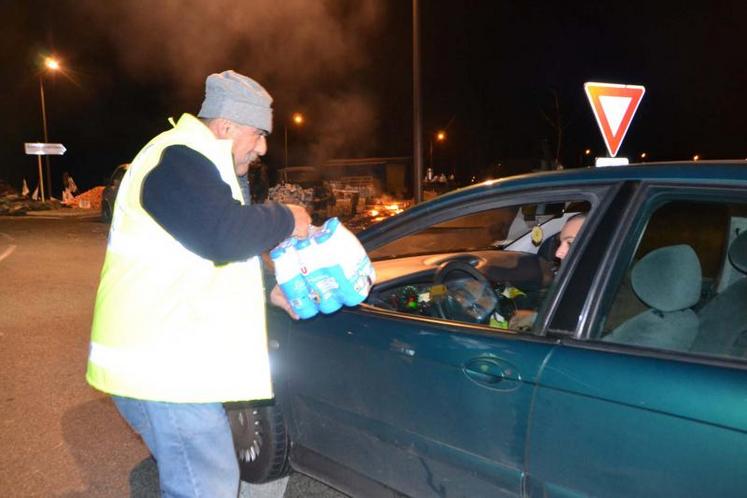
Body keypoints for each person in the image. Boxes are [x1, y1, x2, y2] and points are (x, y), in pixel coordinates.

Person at [87, 70, 311, 498]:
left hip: (164, 362)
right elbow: (220, 232)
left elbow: (205, 252)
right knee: (205, 487)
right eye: (258, 134)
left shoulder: (197, 164)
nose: (263, 147)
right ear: (226, 126)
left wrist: (268, 290)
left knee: (200, 480)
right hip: (162, 366)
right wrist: (287, 218)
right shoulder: (177, 159)